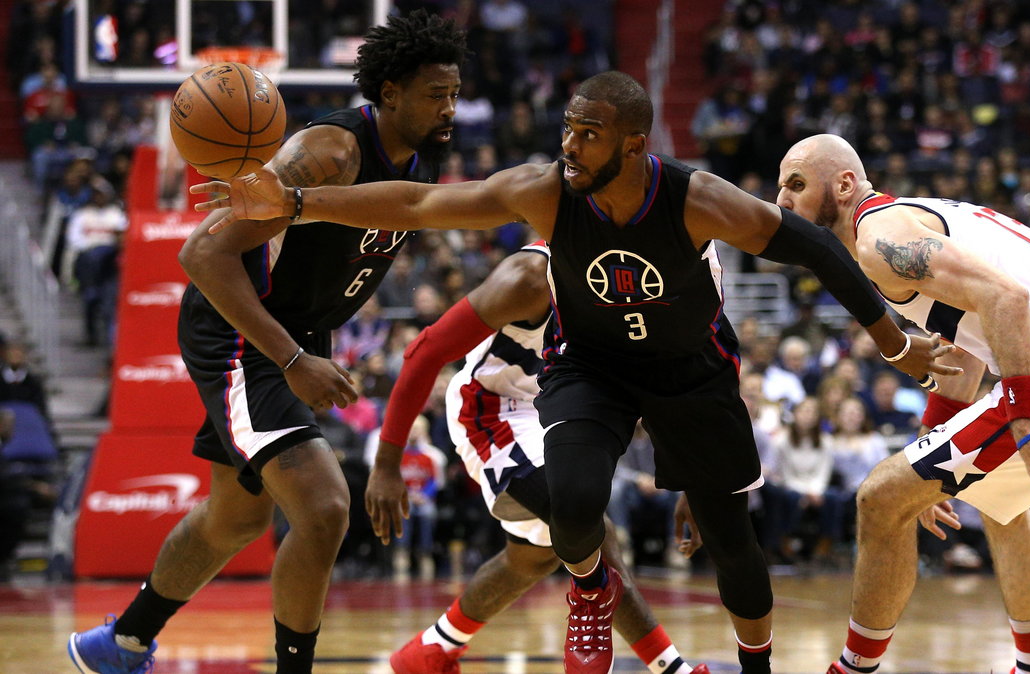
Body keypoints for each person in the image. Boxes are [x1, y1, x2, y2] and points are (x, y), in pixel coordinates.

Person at [193, 71, 956, 674]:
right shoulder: (544, 197)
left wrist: (892, 343)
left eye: (587, 135)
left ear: (632, 145)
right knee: (575, 502)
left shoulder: (698, 201)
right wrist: (297, 202)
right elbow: (423, 201)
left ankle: (745, 664)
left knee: (733, 544)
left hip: (687, 374)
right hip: (586, 368)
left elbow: (817, 249)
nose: (569, 146)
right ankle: (591, 594)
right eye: (567, 129)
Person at [67, 11, 468, 674]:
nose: (450, 107)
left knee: (235, 517)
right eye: (436, 94)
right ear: (389, 92)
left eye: (454, 93)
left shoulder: (425, 152)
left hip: (295, 330)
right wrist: (290, 358)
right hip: (240, 330)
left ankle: (121, 643)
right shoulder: (329, 153)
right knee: (324, 507)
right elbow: (202, 254)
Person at [773, 134, 1030, 674]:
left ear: (843, 184)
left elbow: (1007, 300)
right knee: (1002, 506)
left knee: (880, 499)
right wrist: (930, 452)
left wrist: (1025, 427)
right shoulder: (903, 223)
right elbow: (968, 347)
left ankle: (852, 669)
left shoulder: (879, 239)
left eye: (796, 185)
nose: (783, 201)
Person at [367, 242, 707, 673]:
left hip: (558, 406)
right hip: (493, 408)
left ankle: (431, 650)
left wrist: (691, 479)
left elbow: (660, 390)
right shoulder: (531, 278)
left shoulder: (641, 284)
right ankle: (672, 669)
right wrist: (386, 463)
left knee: (534, 554)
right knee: (590, 529)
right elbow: (426, 351)